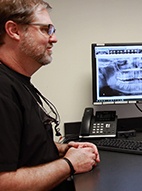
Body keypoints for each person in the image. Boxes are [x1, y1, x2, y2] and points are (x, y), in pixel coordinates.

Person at [0, 0, 100, 190]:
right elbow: (3, 183)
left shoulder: (18, 82)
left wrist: (63, 149)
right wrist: (70, 164)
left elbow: (24, 148)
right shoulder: (3, 90)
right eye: (46, 29)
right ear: (14, 30)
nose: (53, 39)